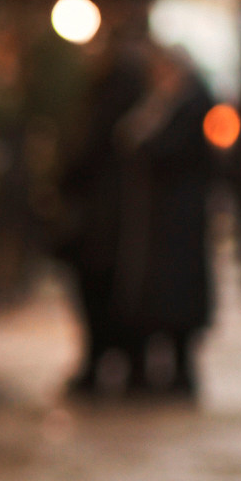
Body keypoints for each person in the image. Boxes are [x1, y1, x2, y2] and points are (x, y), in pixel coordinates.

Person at [109, 42, 217, 399]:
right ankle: (156, 369)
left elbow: (158, 149)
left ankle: (178, 371)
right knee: (158, 297)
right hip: (161, 219)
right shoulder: (167, 103)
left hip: (178, 219)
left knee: (175, 296)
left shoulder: (189, 105)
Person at [55, 20, 151, 392]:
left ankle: (100, 364)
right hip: (106, 214)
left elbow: (88, 150)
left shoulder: (113, 89)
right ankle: (108, 363)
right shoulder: (129, 87)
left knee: (100, 290)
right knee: (105, 291)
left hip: (102, 216)